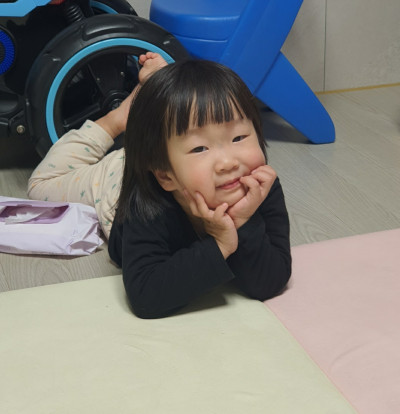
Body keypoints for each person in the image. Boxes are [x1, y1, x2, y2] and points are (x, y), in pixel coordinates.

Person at [29, 55, 291, 319]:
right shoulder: (147, 205)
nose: (228, 162)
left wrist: (243, 222)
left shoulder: (259, 186)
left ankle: (160, 99)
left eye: (239, 137)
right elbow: (145, 296)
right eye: (200, 148)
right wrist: (220, 243)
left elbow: (270, 281)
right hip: (115, 180)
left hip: (169, 160)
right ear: (166, 177)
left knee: (173, 128)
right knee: (41, 188)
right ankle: (119, 118)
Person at [27, 52, 168, 237]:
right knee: (40, 187)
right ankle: (119, 119)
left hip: (121, 178)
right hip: (124, 178)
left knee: (41, 186)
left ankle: (119, 118)